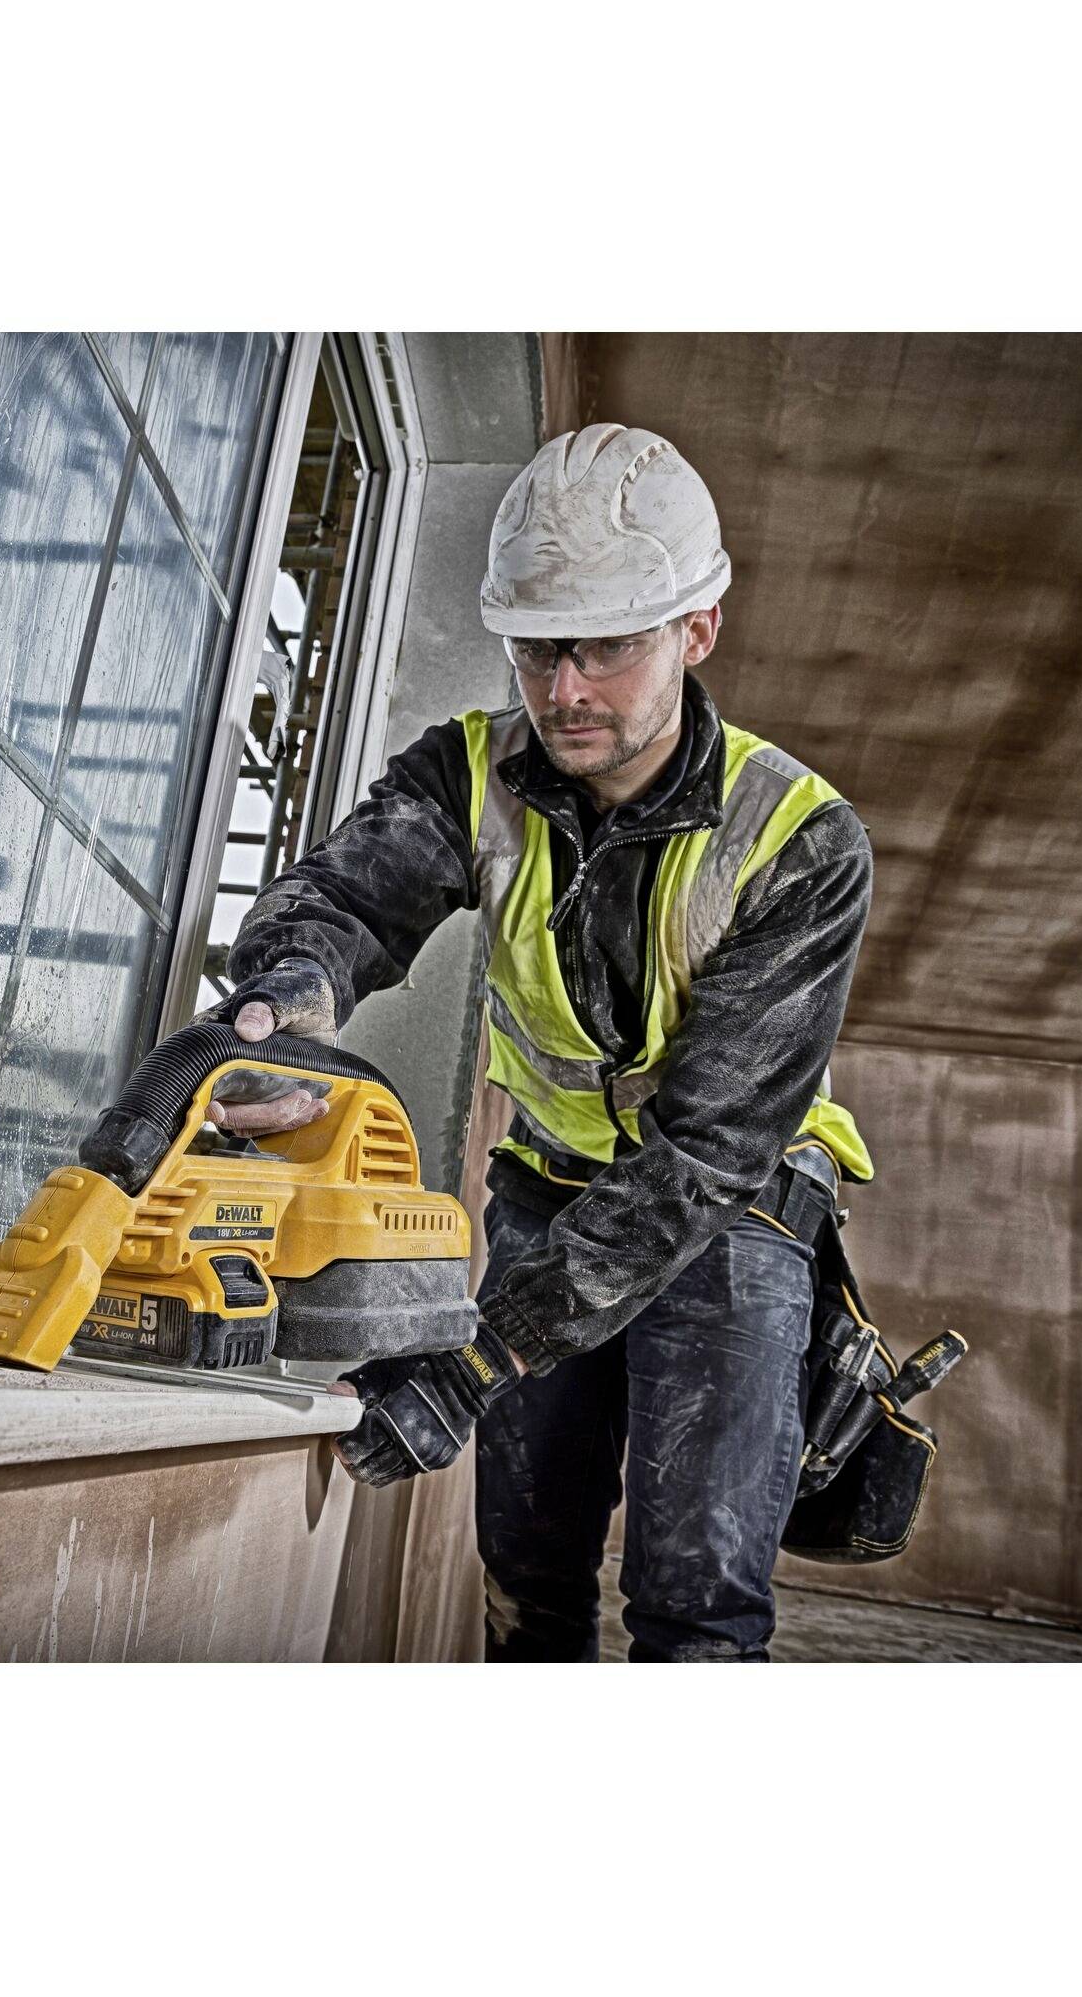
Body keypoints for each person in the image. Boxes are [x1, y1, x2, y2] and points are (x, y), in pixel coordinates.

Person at [210, 424, 875, 1662]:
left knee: (696, 1592)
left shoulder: (800, 840)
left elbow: (703, 1150)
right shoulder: (470, 773)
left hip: (735, 1208)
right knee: (525, 1568)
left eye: (605, 646)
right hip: (544, 1183)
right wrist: (288, 996)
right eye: (533, 648)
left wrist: (478, 1354)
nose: (562, 688)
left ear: (696, 628)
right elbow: (342, 902)